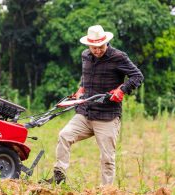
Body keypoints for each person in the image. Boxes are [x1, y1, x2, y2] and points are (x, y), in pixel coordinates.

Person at [46, 25, 144, 185]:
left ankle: (106, 190)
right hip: (85, 113)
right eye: (94, 47)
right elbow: (86, 77)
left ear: (106, 42)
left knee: (107, 158)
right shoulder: (85, 55)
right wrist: (81, 89)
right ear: (88, 45)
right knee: (64, 136)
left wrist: (122, 90)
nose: (97, 50)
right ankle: (59, 176)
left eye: (100, 47)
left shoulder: (118, 57)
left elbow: (137, 76)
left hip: (107, 117)